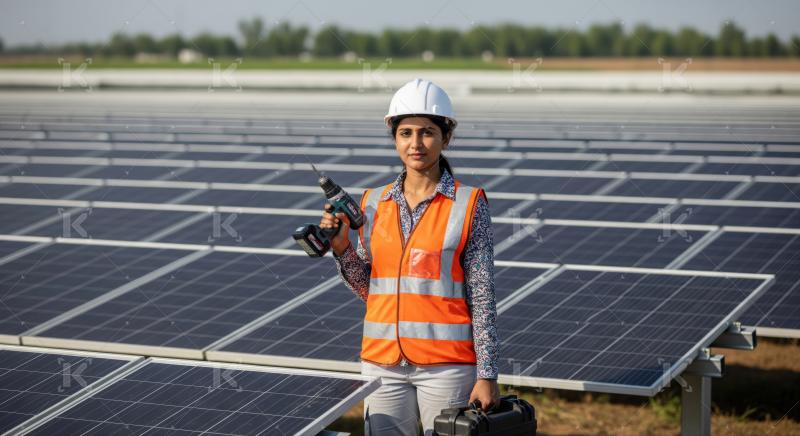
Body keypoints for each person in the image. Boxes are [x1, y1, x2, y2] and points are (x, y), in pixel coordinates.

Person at [319, 78, 499, 435]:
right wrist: (341, 250)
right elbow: (371, 290)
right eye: (406, 133)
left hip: (446, 366)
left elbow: (482, 295)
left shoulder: (469, 204)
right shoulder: (372, 202)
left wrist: (487, 374)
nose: (416, 143)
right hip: (382, 362)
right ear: (395, 138)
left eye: (428, 132)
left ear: (446, 138)